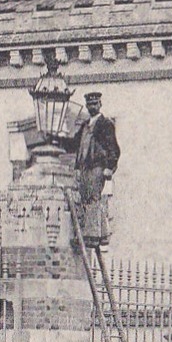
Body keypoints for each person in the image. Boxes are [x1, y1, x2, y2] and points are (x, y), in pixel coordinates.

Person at [57, 90, 120, 241]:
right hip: (84, 167)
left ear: (100, 104)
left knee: (93, 197)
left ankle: (92, 235)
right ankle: (102, 233)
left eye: (94, 104)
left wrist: (110, 167)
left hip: (97, 166)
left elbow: (113, 148)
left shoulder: (106, 124)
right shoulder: (85, 125)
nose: (92, 107)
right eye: (89, 104)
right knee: (85, 197)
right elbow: (74, 144)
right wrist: (59, 139)